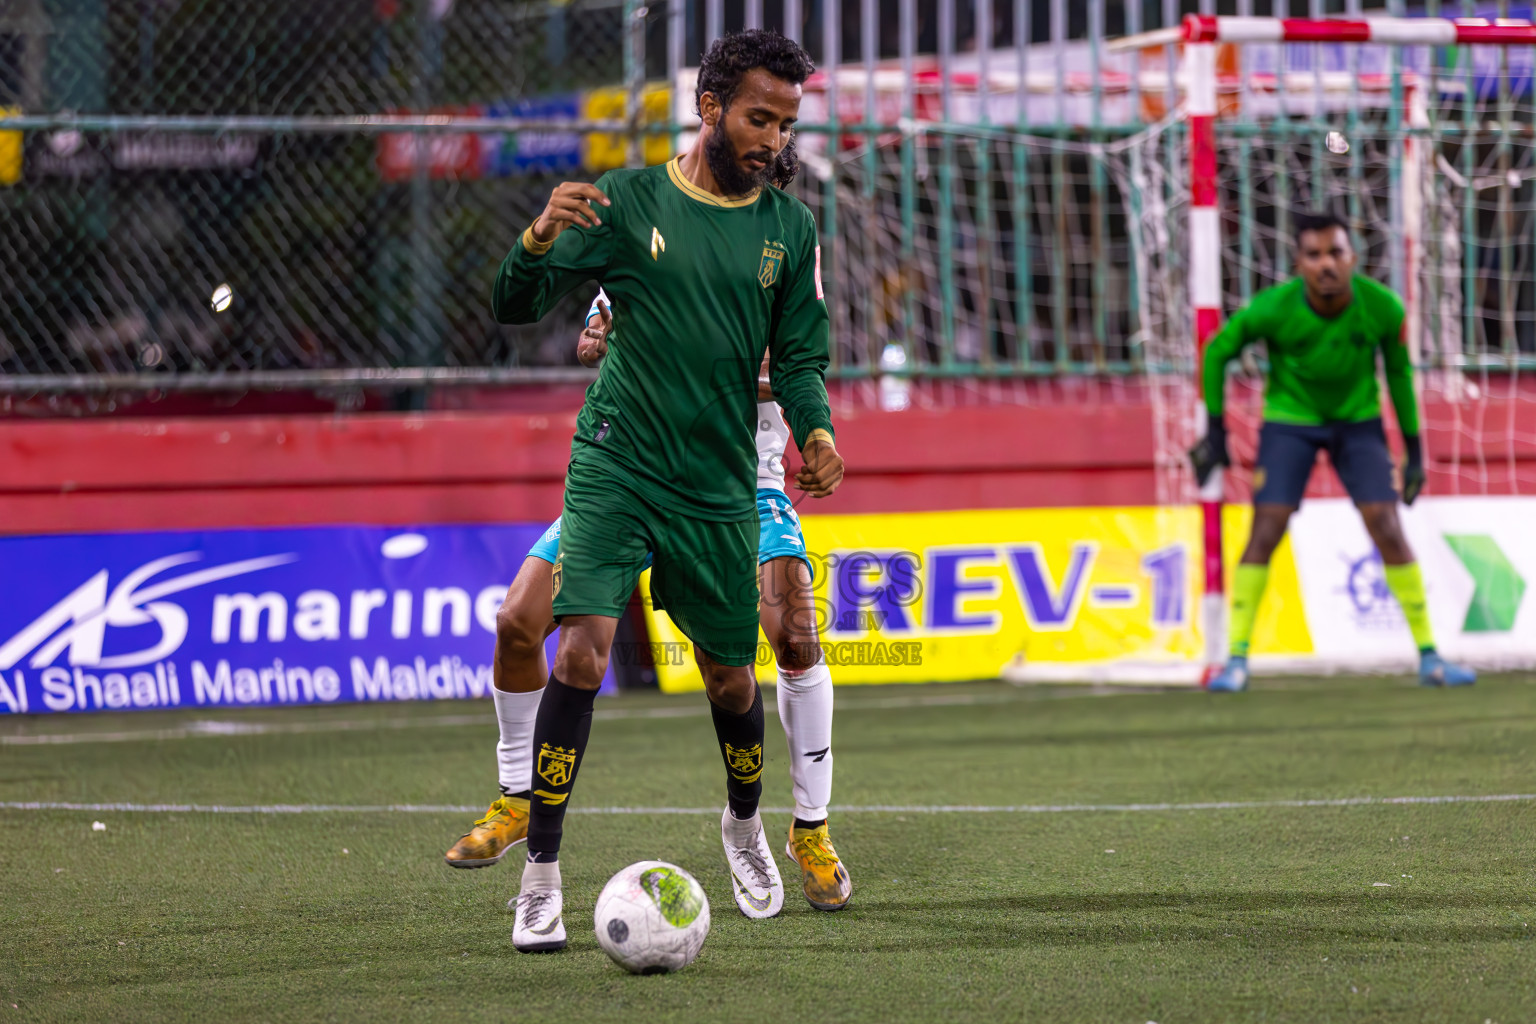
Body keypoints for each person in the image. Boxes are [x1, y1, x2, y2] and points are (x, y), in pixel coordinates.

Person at [490, 29, 843, 952]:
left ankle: (744, 825)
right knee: (580, 655)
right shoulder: (629, 199)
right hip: (615, 462)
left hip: (719, 481)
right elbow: (515, 304)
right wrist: (535, 239)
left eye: (786, 121)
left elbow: (801, 359)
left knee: (733, 676)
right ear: (711, 107)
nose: (772, 137)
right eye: (758, 117)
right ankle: (541, 880)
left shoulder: (788, 229)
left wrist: (816, 431)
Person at [444, 298, 852, 915]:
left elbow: (798, 369)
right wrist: (612, 341)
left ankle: (808, 830)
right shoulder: (648, 226)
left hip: (744, 482)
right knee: (517, 622)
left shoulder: (781, 250)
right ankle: (517, 798)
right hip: (632, 477)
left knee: (788, 637)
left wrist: (671, 354)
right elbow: (590, 341)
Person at [1191, 210, 1476, 692]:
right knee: (1267, 527)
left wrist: (1413, 449)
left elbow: (1400, 375)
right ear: (1299, 262)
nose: (1327, 264)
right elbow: (1217, 351)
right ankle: (1235, 660)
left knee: (1386, 524)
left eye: (1336, 253)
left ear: (1353, 257)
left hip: (1357, 424)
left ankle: (1430, 656)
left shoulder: (1382, 307)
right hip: (1290, 423)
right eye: (1314, 255)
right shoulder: (1274, 308)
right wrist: (1216, 432)